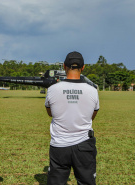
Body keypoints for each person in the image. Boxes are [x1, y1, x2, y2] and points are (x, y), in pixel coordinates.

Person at [45, 51, 99, 185]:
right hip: (84, 145)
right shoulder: (92, 90)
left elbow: (50, 112)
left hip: (59, 145)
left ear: (64, 66)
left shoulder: (52, 89)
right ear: (83, 67)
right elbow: (92, 115)